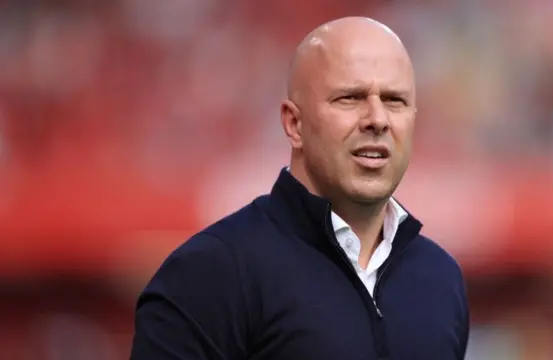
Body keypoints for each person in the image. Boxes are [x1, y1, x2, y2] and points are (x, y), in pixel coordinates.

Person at [130, 16, 469, 360]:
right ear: (294, 124)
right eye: (350, 98)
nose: (377, 119)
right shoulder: (213, 271)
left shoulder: (441, 278)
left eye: (394, 100)